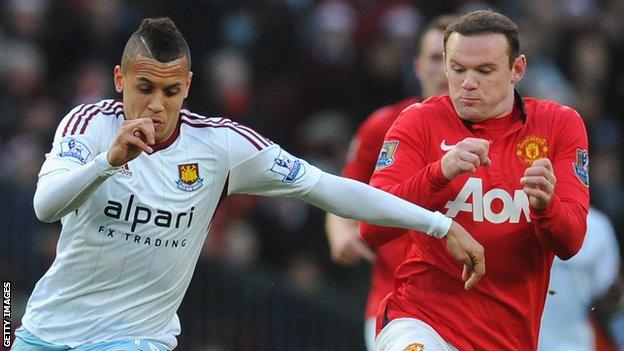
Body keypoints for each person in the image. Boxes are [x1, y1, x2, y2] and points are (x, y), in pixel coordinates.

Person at [12, 18, 485, 351]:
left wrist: (436, 225)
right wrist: (107, 162)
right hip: (50, 327)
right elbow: (45, 207)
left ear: (189, 85)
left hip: (136, 337)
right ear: (120, 79)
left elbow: (329, 189)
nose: (157, 105)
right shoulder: (90, 125)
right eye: (145, 88)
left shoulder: (222, 146)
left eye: (171, 91)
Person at [360, 10, 590, 351]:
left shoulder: (559, 126)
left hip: (508, 337)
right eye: (458, 69)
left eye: (484, 70)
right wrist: (439, 173)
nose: (468, 83)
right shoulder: (419, 122)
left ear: (517, 69)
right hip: (420, 322)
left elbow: (570, 243)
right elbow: (372, 229)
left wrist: (546, 206)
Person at [324, 15, 456, 351]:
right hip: (397, 306)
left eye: (453, 61)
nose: (443, 71)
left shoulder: (497, 135)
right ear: (417, 66)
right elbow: (344, 192)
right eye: (435, 59)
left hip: (473, 309)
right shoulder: (384, 125)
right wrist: (341, 233)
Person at [539, 207, 620, 351]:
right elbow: (606, 292)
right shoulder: (597, 226)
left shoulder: (598, 226)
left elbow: (607, 292)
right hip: (568, 342)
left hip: (573, 343)